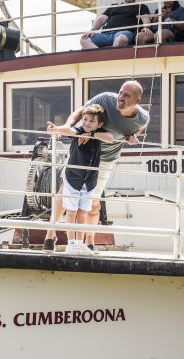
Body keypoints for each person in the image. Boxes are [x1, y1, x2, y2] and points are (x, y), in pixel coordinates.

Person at [44, 80, 150, 253]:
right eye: (121, 92)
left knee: (92, 202)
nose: (120, 98)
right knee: (65, 194)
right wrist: (67, 126)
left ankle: (89, 240)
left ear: (137, 101)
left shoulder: (143, 117)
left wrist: (132, 135)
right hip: (83, 154)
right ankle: (50, 233)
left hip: (106, 159)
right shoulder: (106, 99)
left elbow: (139, 128)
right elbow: (81, 111)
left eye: (126, 95)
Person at [44, 105, 114, 255]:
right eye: (85, 119)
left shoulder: (98, 134)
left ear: (99, 124)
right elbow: (70, 130)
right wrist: (57, 129)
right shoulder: (79, 131)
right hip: (74, 178)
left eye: (91, 121)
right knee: (71, 211)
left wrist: (92, 135)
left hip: (89, 181)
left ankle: (80, 243)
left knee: (83, 212)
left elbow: (111, 138)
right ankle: (71, 243)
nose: (87, 123)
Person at [80, 0, 151, 49]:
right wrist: (92, 30)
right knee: (84, 39)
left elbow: (145, 17)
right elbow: (101, 19)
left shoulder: (141, 7)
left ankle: (110, 57)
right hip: (106, 34)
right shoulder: (113, 7)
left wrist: (146, 27)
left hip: (124, 33)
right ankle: (101, 57)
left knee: (121, 39)